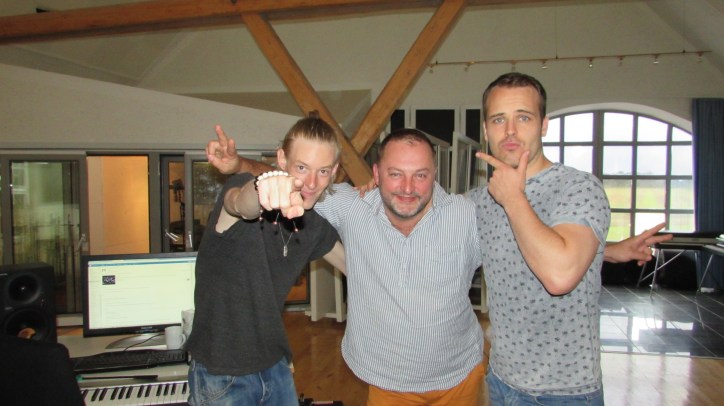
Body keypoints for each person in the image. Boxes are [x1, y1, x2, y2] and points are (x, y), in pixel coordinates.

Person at [468, 71, 609, 404]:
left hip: (565, 393)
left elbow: (560, 275)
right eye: (499, 119)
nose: (510, 130)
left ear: (543, 125)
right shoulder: (478, 201)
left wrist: (513, 198)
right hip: (501, 381)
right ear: (486, 130)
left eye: (523, 118)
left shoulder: (579, 187)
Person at [186, 112, 345, 406]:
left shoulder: (313, 226)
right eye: (301, 167)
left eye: (323, 171)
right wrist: (263, 187)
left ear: (334, 171)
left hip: (275, 366)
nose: (311, 182)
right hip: (221, 375)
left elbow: (357, 268)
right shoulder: (242, 187)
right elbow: (240, 204)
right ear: (282, 159)